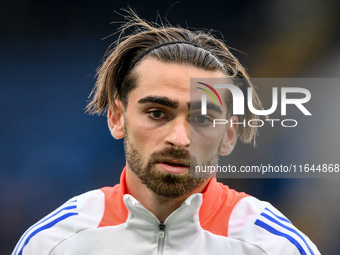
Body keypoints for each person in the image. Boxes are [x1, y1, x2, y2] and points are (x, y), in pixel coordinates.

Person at [13, 11, 320, 255]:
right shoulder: (52, 244)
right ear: (117, 118)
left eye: (202, 119)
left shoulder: (276, 247)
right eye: (157, 113)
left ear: (229, 134)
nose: (179, 138)